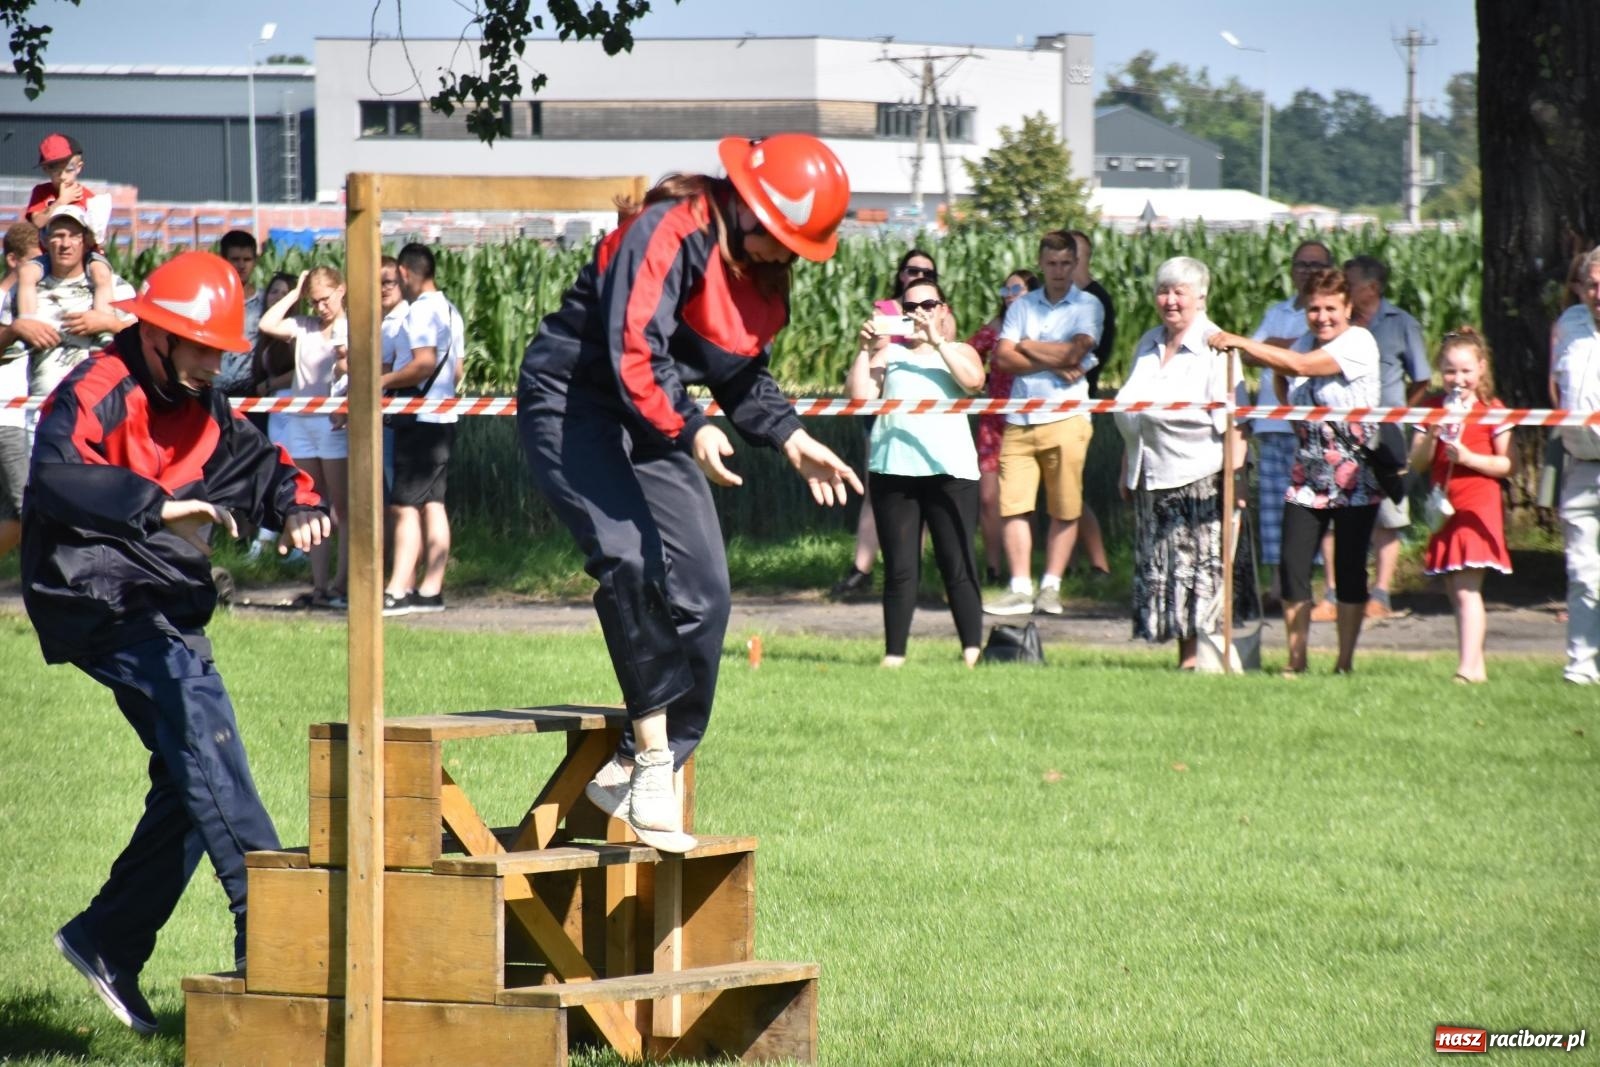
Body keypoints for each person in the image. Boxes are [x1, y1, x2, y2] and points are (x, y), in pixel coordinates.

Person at [518, 133, 859, 852]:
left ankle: (655, 755)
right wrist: (693, 426)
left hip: (657, 407)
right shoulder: (669, 230)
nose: (791, 257)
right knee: (629, 559)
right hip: (574, 399)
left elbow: (736, 372)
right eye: (787, 240)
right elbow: (633, 348)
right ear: (751, 210)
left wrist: (793, 439)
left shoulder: (752, 268)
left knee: (706, 592)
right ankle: (648, 760)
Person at [20, 251, 330, 1034]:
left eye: (220, 351)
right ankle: (269, 930)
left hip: (155, 590)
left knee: (196, 780)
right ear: (156, 334)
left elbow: (261, 462)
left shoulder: (205, 402)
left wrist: (296, 502)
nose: (214, 364)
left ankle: (108, 938)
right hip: (88, 584)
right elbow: (50, 479)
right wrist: (156, 507)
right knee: (202, 719)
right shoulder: (96, 386)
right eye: (201, 348)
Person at [1211, 267, 1382, 676]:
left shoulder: (1358, 341)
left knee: (1349, 569)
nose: (1321, 317)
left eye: (1330, 309)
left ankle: (1344, 663)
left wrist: (1240, 341)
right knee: (1292, 567)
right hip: (1308, 474)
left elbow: (1300, 364)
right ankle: (1296, 659)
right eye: (1313, 309)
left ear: (1347, 307)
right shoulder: (1305, 340)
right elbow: (1285, 373)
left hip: (1355, 476)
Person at [1115, 257, 1248, 669]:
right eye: (1164, 291)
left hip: (1200, 474)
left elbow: (1236, 423)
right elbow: (1135, 411)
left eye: (1180, 292)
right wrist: (1127, 464)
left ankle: (1202, 659)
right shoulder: (1148, 342)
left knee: (1198, 573)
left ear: (1201, 296)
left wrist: (1236, 480)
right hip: (1151, 472)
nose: (1170, 300)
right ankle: (1184, 656)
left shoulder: (1217, 346)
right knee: (1168, 573)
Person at [847, 276, 985, 667]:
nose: (920, 313)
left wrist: (938, 342)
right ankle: (894, 655)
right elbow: (859, 397)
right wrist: (863, 349)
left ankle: (972, 652)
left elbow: (974, 382)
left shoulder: (959, 350)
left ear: (943, 309)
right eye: (911, 308)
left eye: (929, 305)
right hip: (894, 471)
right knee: (900, 568)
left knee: (956, 564)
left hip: (950, 471)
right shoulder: (889, 355)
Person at [983, 230, 1104, 617]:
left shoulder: (1088, 305)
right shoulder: (1022, 306)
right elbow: (1002, 358)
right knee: (1013, 505)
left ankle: (1051, 586)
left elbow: (1077, 350)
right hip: (1020, 417)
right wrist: (1057, 358)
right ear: (1041, 264)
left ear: (1075, 264)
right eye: (1051, 263)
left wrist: (1028, 346)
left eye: (1066, 263)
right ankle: (1020, 587)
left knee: (1064, 506)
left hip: (1067, 416)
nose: (1058, 270)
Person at [831, 247, 944, 600]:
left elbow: (950, 348)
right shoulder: (884, 311)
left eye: (927, 273)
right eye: (912, 270)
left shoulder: (942, 314)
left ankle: (914, 566)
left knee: (927, 494)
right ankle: (862, 568)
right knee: (875, 489)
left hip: (926, 414)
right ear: (901, 274)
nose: (918, 276)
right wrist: (874, 342)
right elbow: (864, 380)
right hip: (884, 409)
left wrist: (928, 329)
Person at [1411, 328, 1513, 683]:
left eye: (1467, 370)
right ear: (1441, 369)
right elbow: (1418, 463)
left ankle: (1466, 669)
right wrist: (1433, 435)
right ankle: (1476, 665)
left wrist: (1469, 457)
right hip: (1445, 503)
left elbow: (1505, 464)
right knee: (1455, 587)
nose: (1459, 379)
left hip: (1477, 503)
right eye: (1451, 371)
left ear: (1481, 368)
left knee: (1468, 588)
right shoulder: (1433, 409)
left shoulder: (1493, 409)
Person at [1246, 240, 1334, 609]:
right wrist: (1279, 349)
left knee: (1317, 508)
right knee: (1272, 511)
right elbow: (1252, 352)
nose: (1308, 272)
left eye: (1316, 265)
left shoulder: (1327, 314)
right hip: (1271, 424)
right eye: (1301, 264)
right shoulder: (1277, 310)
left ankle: (1324, 588)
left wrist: (1275, 348)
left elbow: (1304, 356)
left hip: (1309, 429)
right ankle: (1279, 586)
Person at [1343, 254, 1431, 620]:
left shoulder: (1401, 324)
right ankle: (1340, 592)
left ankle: (1381, 593)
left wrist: (1398, 412)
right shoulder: (1340, 326)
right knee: (1342, 507)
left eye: (1349, 283)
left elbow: (1422, 378)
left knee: (1388, 514)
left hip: (1387, 430)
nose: (1343, 289)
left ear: (1372, 288)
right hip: (1345, 430)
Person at [258, 266, 349, 607]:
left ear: (341, 291)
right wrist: (295, 294)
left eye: (325, 299)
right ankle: (320, 585)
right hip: (301, 422)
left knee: (342, 507)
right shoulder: (305, 326)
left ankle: (343, 583)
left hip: (333, 422)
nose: (320, 308)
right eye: (314, 302)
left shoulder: (350, 328)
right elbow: (267, 324)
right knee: (313, 505)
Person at [380, 243, 463, 616]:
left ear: (406, 272)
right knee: (433, 505)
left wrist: (383, 380)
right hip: (443, 418)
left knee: (403, 506)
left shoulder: (420, 313)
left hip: (419, 420)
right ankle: (431, 590)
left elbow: (423, 364)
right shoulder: (451, 310)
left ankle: (399, 588)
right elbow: (455, 371)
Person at [966, 268, 1039, 582]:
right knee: (988, 497)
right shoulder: (996, 328)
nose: (1009, 295)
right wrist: (976, 379)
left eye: (1017, 289)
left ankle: (1025, 569)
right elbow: (969, 352)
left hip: (1030, 420)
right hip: (994, 421)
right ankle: (993, 568)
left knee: (1026, 498)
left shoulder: (1040, 328)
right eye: (1005, 290)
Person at [1550, 246, 1600, 686]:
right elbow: (1556, 389)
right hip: (1581, 465)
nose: (1599, 293)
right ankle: (1581, 667)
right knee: (1583, 572)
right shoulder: (1569, 325)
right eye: (1593, 285)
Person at [1064, 228, 1113, 581]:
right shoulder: (1051, 298)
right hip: (1046, 403)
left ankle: (1098, 563)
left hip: (1080, 401)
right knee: (1061, 490)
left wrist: (1074, 364)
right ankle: (1071, 562)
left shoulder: (1096, 298)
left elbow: (1100, 350)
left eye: (1074, 256)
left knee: (1071, 489)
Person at [21, 132, 114, 315]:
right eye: (55, 170)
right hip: (50, 255)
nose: (62, 176)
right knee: (26, 274)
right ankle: (27, 319)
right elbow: (37, 222)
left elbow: (95, 235)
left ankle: (102, 319)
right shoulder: (41, 193)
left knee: (102, 273)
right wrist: (61, 201)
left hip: (84, 256)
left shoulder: (88, 197)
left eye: (68, 169)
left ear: (79, 167)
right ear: (46, 170)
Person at [0, 222, 47, 559]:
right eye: (34, 260)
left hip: (26, 417)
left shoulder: (37, 298)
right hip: (8, 417)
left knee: (13, 518)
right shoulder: (4, 299)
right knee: (28, 509)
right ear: (13, 260)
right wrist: (14, 330)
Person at [216, 230, 266, 399]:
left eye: (247, 259)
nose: (241, 265)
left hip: (251, 392)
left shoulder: (266, 301)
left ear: (255, 261)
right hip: (213, 388)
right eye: (235, 259)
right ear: (223, 260)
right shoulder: (211, 298)